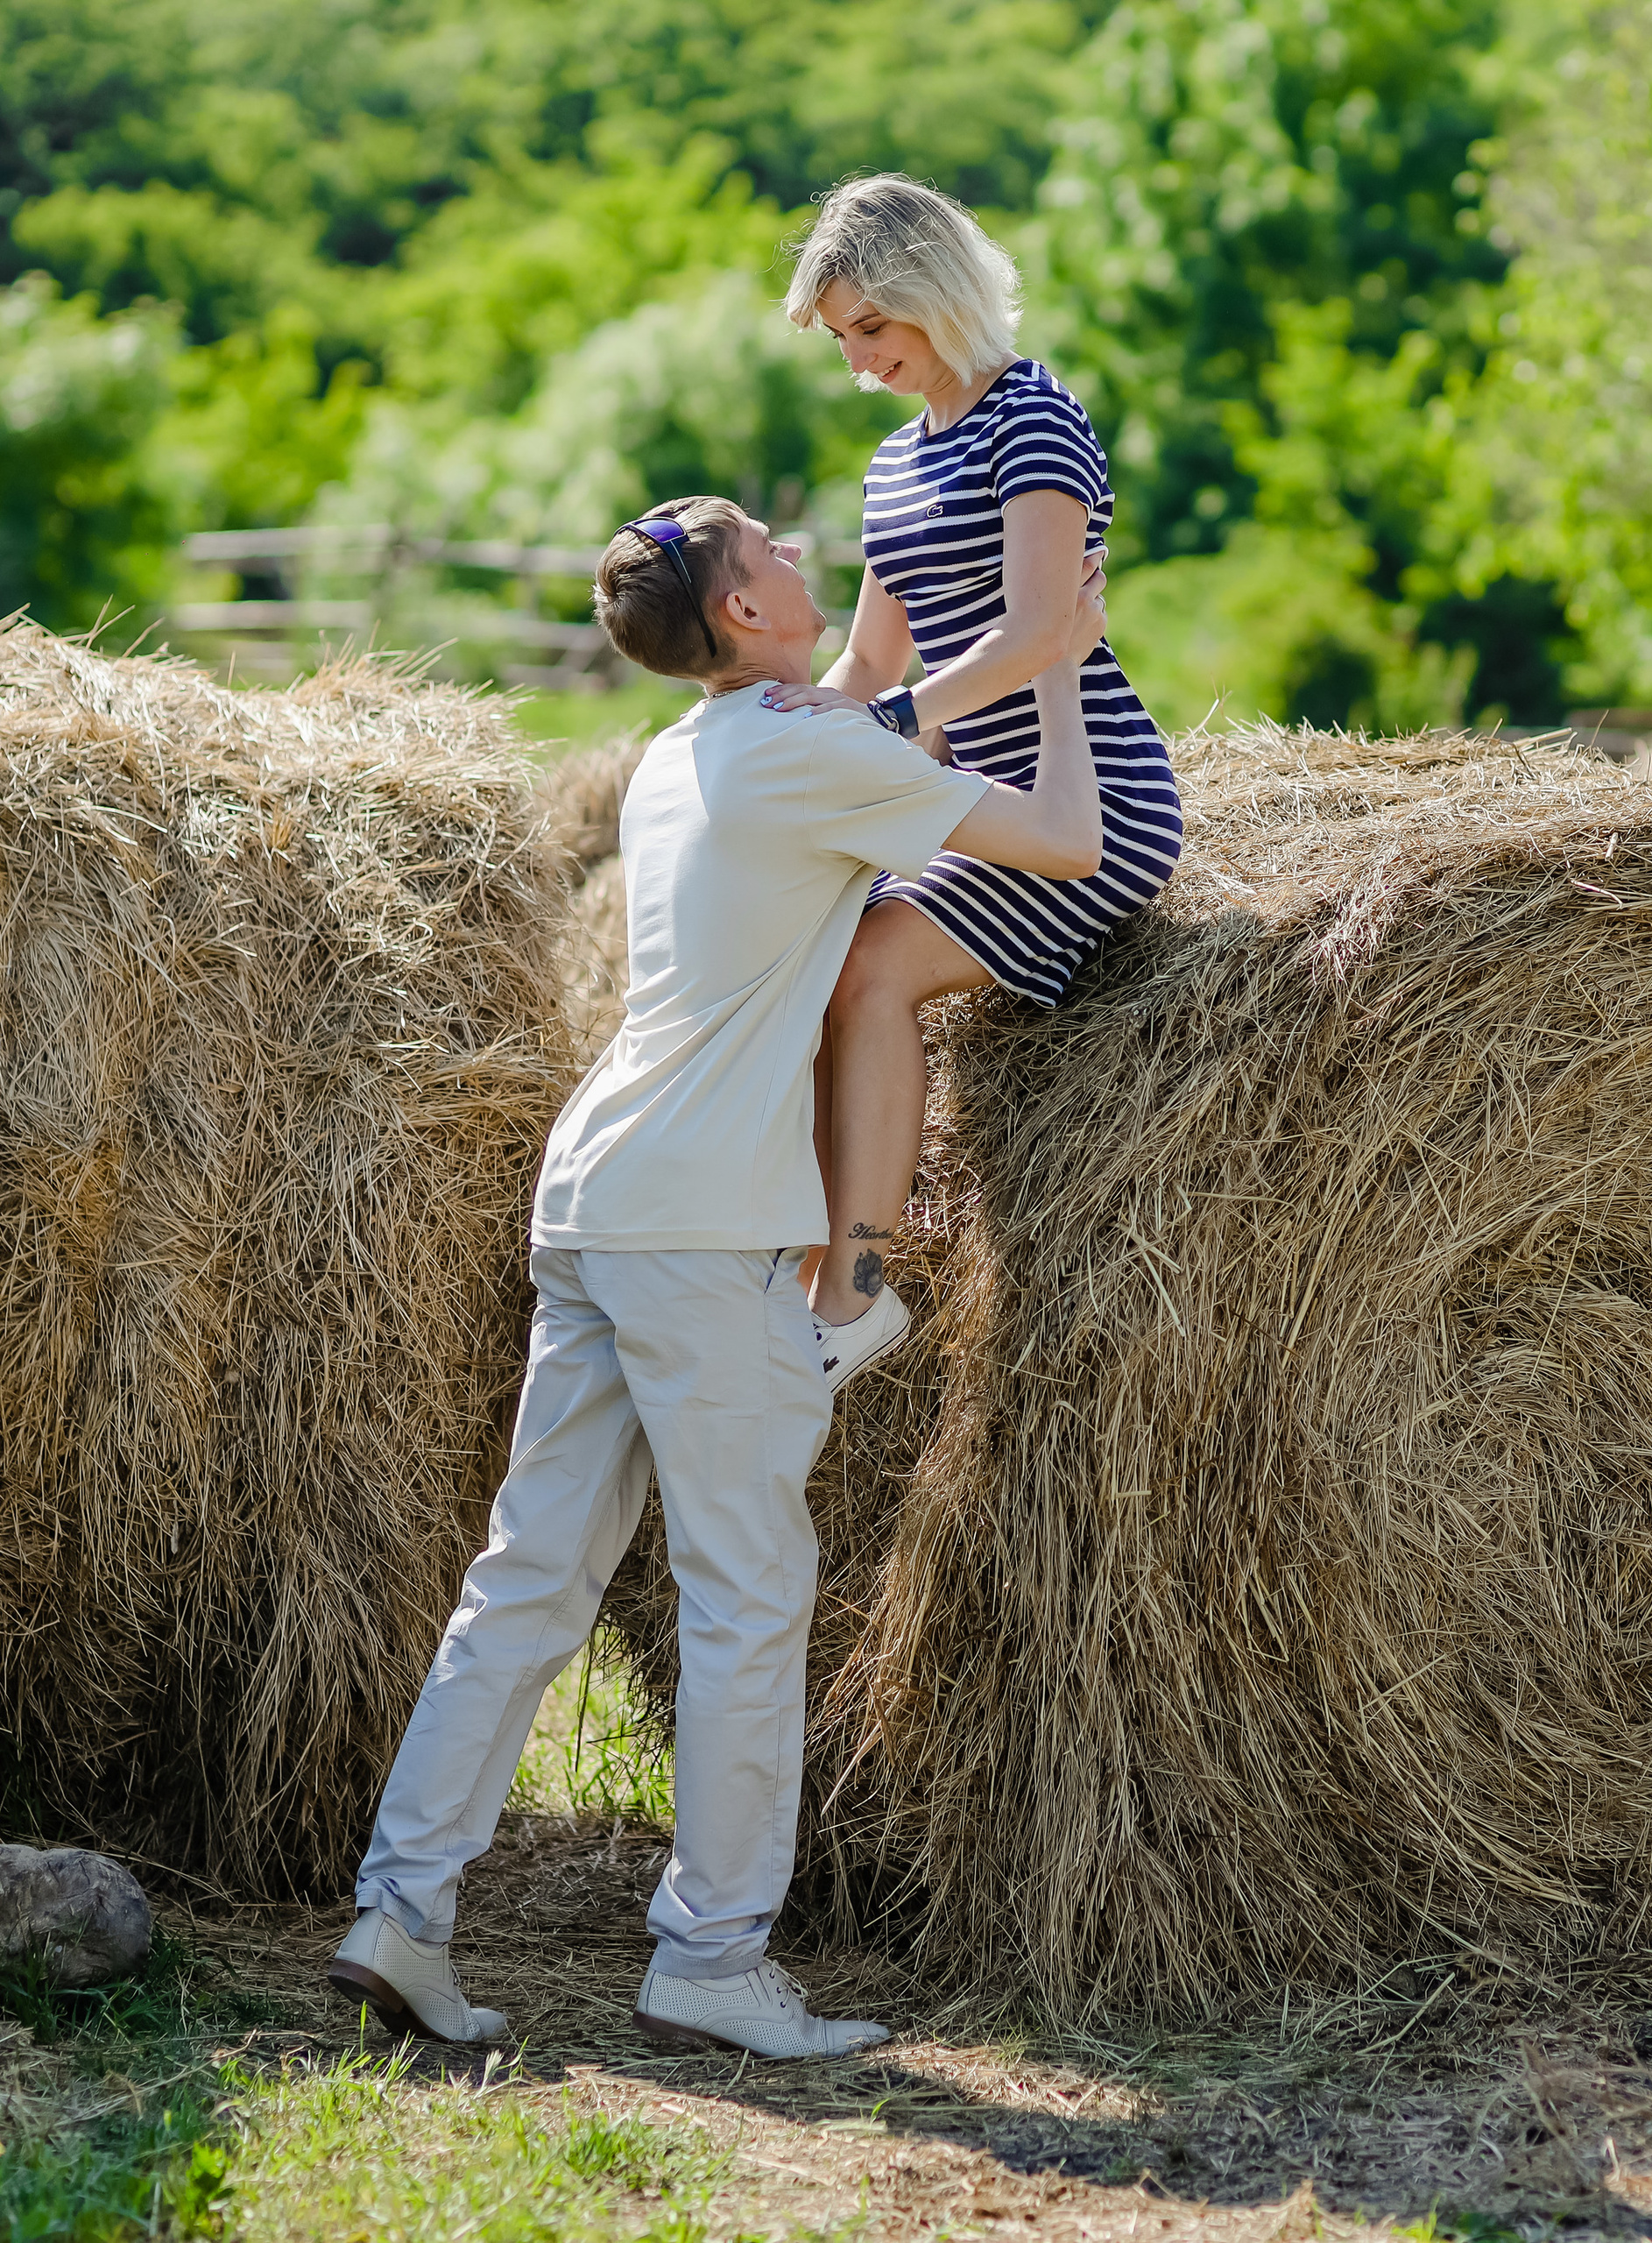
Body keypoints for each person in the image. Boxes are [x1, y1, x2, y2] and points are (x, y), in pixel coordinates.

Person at [328, 494, 1109, 2058]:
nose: (806, 557)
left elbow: (869, 748)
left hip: (597, 1199)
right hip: (697, 1234)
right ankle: (712, 1954)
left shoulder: (690, 754)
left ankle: (401, 1911)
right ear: (745, 616)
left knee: (528, 1580)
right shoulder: (806, 754)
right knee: (749, 1599)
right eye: (776, 547)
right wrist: (1065, 666)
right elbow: (1071, 846)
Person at [766, 174, 1184, 1389]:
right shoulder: (895, 464)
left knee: (871, 966)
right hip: (962, 801)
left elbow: (1037, 631)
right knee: (805, 956)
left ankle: (854, 1298)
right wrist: (784, 736)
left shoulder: (1033, 416)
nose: (857, 360)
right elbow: (867, 655)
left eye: (871, 329)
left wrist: (892, 724)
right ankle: (793, 1262)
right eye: (843, 338)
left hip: (1083, 793)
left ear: (930, 294)